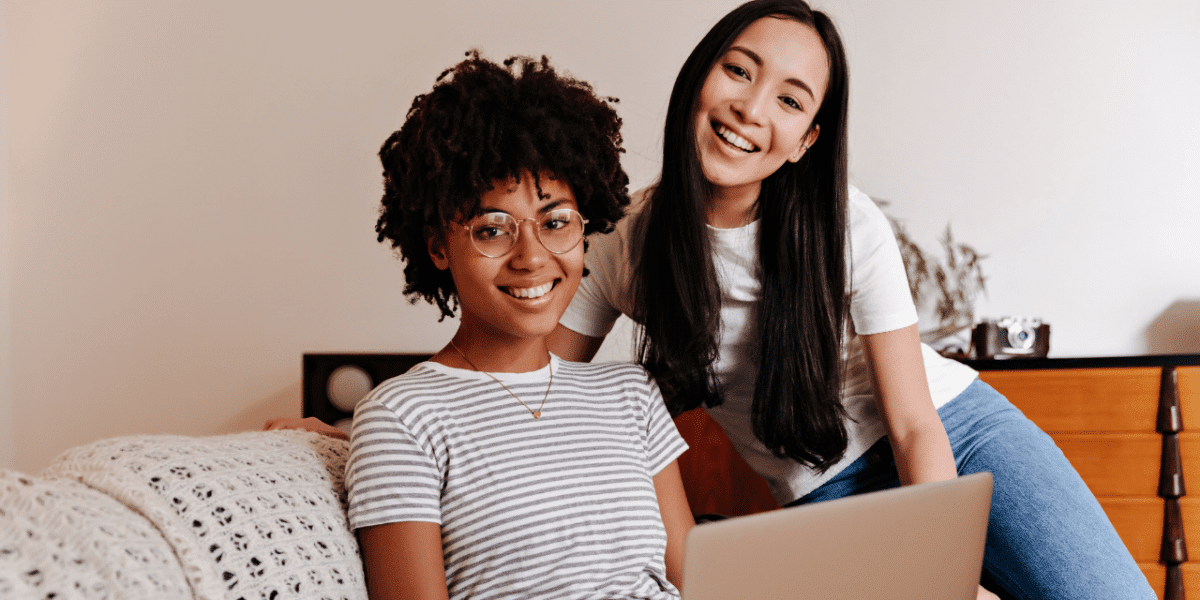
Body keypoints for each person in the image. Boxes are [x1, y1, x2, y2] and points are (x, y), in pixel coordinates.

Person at [544, 1, 1156, 599]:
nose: (750, 109)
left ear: (806, 140)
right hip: (825, 490)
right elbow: (542, 391)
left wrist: (945, 575)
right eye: (738, 69)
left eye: (789, 100)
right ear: (699, 73)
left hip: (956, 434)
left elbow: (915, 426)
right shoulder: (625, 243)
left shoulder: (846, 225)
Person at [271, 52, 693, 600]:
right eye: (493, 230)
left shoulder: (631, 394)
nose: (532, 256)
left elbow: (700, 584)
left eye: (556, 221)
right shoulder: (401, 418)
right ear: (439, 248)